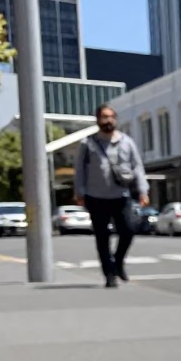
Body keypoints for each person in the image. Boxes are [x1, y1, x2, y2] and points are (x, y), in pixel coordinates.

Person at [74, 105, 149, 288]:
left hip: (121, 195)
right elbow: (80, 170)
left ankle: (118, 261)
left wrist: (143, 191)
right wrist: (79, 192)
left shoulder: (127, 142)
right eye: (104, 117)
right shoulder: (87, 143)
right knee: (102, 237)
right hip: (95, 197)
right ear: (98, 120)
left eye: (111, 117)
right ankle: (109, 275)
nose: (108, 121)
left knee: (128, 230)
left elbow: (137, 166)